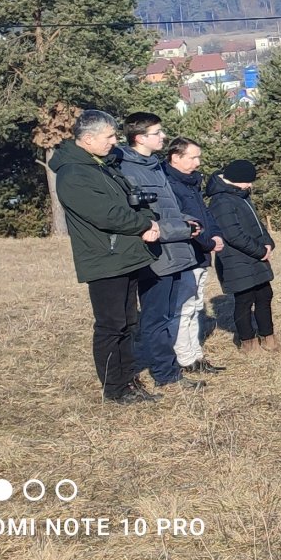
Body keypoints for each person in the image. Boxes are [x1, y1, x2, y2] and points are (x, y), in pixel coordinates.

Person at [54, 110, 165, 403]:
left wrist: (149, 219)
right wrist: (143, 225)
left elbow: (130, 199)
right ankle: (115, 388)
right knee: (111, 326)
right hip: (104, 259)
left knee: (128, 323)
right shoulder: (73, 174)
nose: (115, 141)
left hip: (124, 254)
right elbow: (107, 214)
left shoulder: (102, 165)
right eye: (110, 136)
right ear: (88, 139)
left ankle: (128, 380)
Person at [114, 113, 203, 390]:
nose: (163, 137)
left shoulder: (154, 167)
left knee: (169, 314)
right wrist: (182, 230)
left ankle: (171, 368)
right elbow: (143, 221)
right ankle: (165, 374)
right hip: (156, 256)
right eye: (157, 132)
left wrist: (188, 220)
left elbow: (167, 210)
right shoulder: (128, 170)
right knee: (156, 318)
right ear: (140, 138)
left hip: (176, 252)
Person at [162, 137, 226, 376]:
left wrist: (216, 234)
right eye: (193, 157)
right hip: (185, 255)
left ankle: (196, 355)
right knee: (184, 308)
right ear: (176, 157)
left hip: (200, 255)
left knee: (196, 306)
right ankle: (185, 359)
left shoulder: (192, 183)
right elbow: (184, 223)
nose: (198, 162)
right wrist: (208, 242)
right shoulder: (169, 185)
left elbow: (205, 214)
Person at [204, 160, 277, 352]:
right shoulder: (221, 201)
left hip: (254, 256)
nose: (250, 185)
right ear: (236, 179)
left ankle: (268, 336)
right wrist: (260, 251)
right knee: (244, 300)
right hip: (235, 259)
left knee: (265, 295)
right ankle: (247, 341)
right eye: (248, 181)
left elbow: (257, 224)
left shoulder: (241, 196)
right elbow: (233, 234)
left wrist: (268, 243)